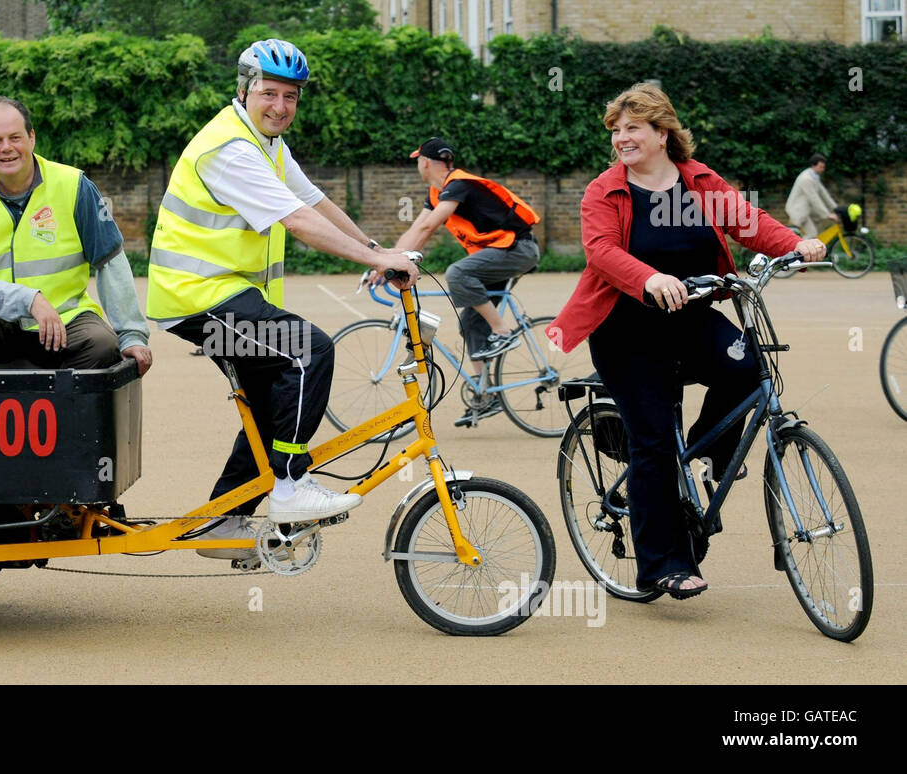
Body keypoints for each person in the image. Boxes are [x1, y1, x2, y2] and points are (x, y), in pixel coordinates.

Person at [549, 83, 824, 599]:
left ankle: (710, 452)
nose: (621, 138)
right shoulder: (605, 191)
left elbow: (749, 223)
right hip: (627, 330)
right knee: (652, 442)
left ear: (662, 132)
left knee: (747, 369)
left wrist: (794, 245)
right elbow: (601, 250)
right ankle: (661, 564)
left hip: (692, 317)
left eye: (632, 128)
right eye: (616, 130)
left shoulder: (698, 180)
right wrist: (648, 279)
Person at [146, 38, 418, 557]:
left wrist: (376, 249)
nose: (280, 106)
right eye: (269, 93)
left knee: (270, 404)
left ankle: (222, 522)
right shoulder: (230, 149)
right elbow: (298, 222)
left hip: (224, 295)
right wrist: (377, 262)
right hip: (194, 299)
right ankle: (290, 487)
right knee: (309, 350)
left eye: (290, 97)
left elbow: (312, 199)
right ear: (244, 91)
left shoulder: (266, 143)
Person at [0, 96, 151, 376]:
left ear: (32, 138)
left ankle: (63, 415)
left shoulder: (74, 186)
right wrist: (29, 299)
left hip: (64, 319)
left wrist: (132, 334)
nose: (7, 148)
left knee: (102, 345)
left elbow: (110, 261)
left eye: (15, 137)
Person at [393, 137, 542, 427]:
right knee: (470, 323)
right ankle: (485, 394)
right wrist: (387, 259)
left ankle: (503, 331)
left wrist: (393, 262)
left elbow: (426, 227)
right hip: (500, 253)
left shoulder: (458, 184)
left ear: (425, 162)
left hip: (518, 250)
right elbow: (416, 229)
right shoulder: (438, 193)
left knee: (458, 273)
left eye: (418, 161)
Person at [785, 153, 839, 239]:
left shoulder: (814, 177)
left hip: (805, 211)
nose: (823, 169)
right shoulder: (806, 179)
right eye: (821, 167)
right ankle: (799, 251)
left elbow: (824, 194)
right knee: (810, 234)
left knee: (810, 234)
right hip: (797, 211)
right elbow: (814, 198)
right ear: (813, 166)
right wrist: (827, 214)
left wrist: (835, 208)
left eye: (823, 167)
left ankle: (800, 250)